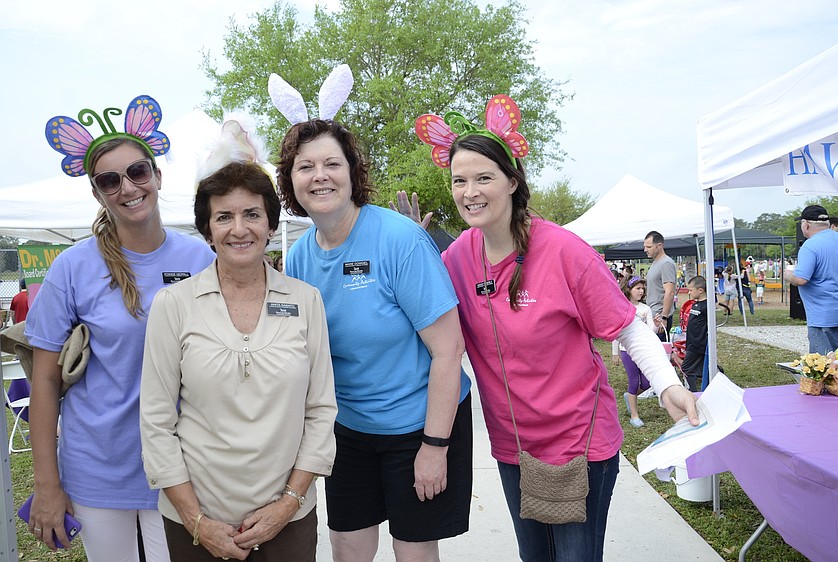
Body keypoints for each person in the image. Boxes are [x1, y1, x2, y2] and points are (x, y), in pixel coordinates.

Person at [411, 95, 698, 562]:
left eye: (483, 178)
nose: (470, 191)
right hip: (513, 446)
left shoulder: (564, 250)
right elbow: (422, 318)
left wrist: (667, 386)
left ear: (512, 181)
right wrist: (409, 249)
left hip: (579, 444)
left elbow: (628, 328)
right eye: (459, 180)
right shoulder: (458, 257)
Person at [25, 96, 215, 559]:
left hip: (182, 465)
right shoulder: (72, 267)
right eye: (109, 180)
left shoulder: (201, 259)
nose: (127, 187)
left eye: (137, 172)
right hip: (98, 467)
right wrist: (47, 485)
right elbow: (44, 380)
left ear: (157, 176)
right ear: (97, 193)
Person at [276, 119, 472, 561]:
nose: (320, 176)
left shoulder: (400, 240)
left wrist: (434, 447)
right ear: (291, 180)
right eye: (306, 167)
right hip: (349, 429)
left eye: (332, 163)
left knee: (413, 551)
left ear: (352, 172)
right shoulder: (300, 257)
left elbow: (448, 350)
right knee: (347, 547)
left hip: (420, 424)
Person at [141, 122, 337, 560]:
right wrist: (196, 521)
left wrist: (288, 504)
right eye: (223, 217)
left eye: (251, 214)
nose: (239, 228)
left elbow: (321, 410)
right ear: (207, 230)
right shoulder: (174, 305)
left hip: (288, 517)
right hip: (196, 522)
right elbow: (155, 422)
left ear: (270, 223)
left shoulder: (306, 301)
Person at [785, 205, 838, 354]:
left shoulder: (810, 246)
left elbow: (801, 279)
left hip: (824, 317)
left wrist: (787, 274)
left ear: (806, 224)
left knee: (823, 363)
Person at [616, 276, 656, 428]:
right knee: (634, 382)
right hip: (627, 350)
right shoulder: (622, 307)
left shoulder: (646, 309)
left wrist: (656, 325)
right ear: (629, 289)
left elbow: (651, 330)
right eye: (637, 288)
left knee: (646, 383)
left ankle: (630, 396)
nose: (641, 291)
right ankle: (634, 416)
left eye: (642, 289)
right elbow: (617, 331)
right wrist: (615, 353)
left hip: (643, 349)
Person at [643, 231, 676, 337]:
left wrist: (664, 317)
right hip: (653, 314)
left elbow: (670, 292)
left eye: (649, 247)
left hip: (659, 317)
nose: (645, 250)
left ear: (659, 245)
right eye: (645, 246)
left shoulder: (666, 263)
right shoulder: (656, 263)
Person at [681, 276, 709, 391]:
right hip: (691, 342)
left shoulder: (707, 306)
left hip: (698, 344)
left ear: (700, 290)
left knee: (686, 368)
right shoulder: (695, 304)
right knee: (700, 367)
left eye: (691, 290)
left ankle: (693, 391)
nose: (689, 292)